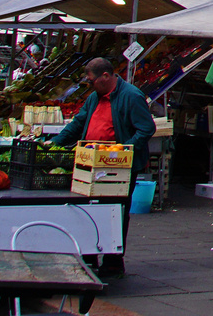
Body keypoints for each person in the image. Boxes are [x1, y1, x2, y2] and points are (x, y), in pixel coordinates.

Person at [52, 57, 155, 279]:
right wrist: (53, 145)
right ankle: (90, 256)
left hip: (119, 166)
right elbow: (77, 124)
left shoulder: (131, 96)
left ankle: (113, 261)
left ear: (106, 77)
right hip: (91, 163)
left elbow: (146, 128)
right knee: (89, 209)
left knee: (115, 212)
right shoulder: (94, 98)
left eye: (91, 80)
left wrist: (122, 151)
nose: (89, 84)